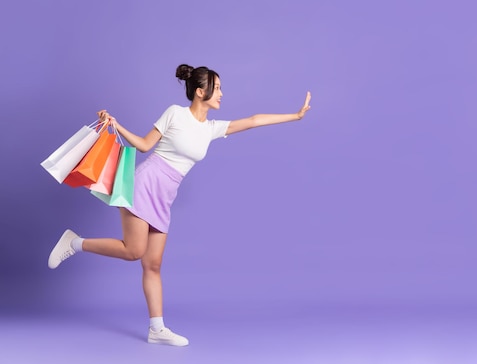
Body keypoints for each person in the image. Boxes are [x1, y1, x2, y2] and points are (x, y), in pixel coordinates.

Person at [47, 63, 312, 346]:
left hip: (165, 197)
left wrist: (295, 116)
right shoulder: (175, 114)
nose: (222, 93)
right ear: (200, 92)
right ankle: (74, 243)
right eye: (217, 88)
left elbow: (254, 119)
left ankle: (156, 329)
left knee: (154, 264)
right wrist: (117, 125)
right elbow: (145, 145)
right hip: (145, 185)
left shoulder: (211, 128)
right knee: (134, 251)